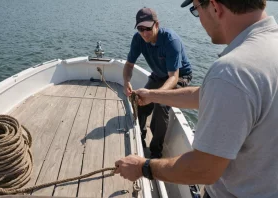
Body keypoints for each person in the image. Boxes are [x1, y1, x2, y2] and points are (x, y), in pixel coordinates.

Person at [115, 0, 278, 197]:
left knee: (161, 112)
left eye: (195, 9)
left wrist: (143, 167)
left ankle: (155, 149)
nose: (198, 18)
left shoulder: (232, 71)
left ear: (215, 7)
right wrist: (152, 95)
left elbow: (204, 170)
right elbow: (206, 94)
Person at [123, 7, 192, 159]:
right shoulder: (138, 39)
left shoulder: (170, 41)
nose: (144, 33)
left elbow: (173, 77)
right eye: (140, 28)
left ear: (157, 25)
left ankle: (156, 150)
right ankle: (140, 136)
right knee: (140, 101)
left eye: (148, 28)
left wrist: (155, 95)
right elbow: (129, 65)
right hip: (159, 75)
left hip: (180, 76)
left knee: (161, 105)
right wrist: (126, 81)